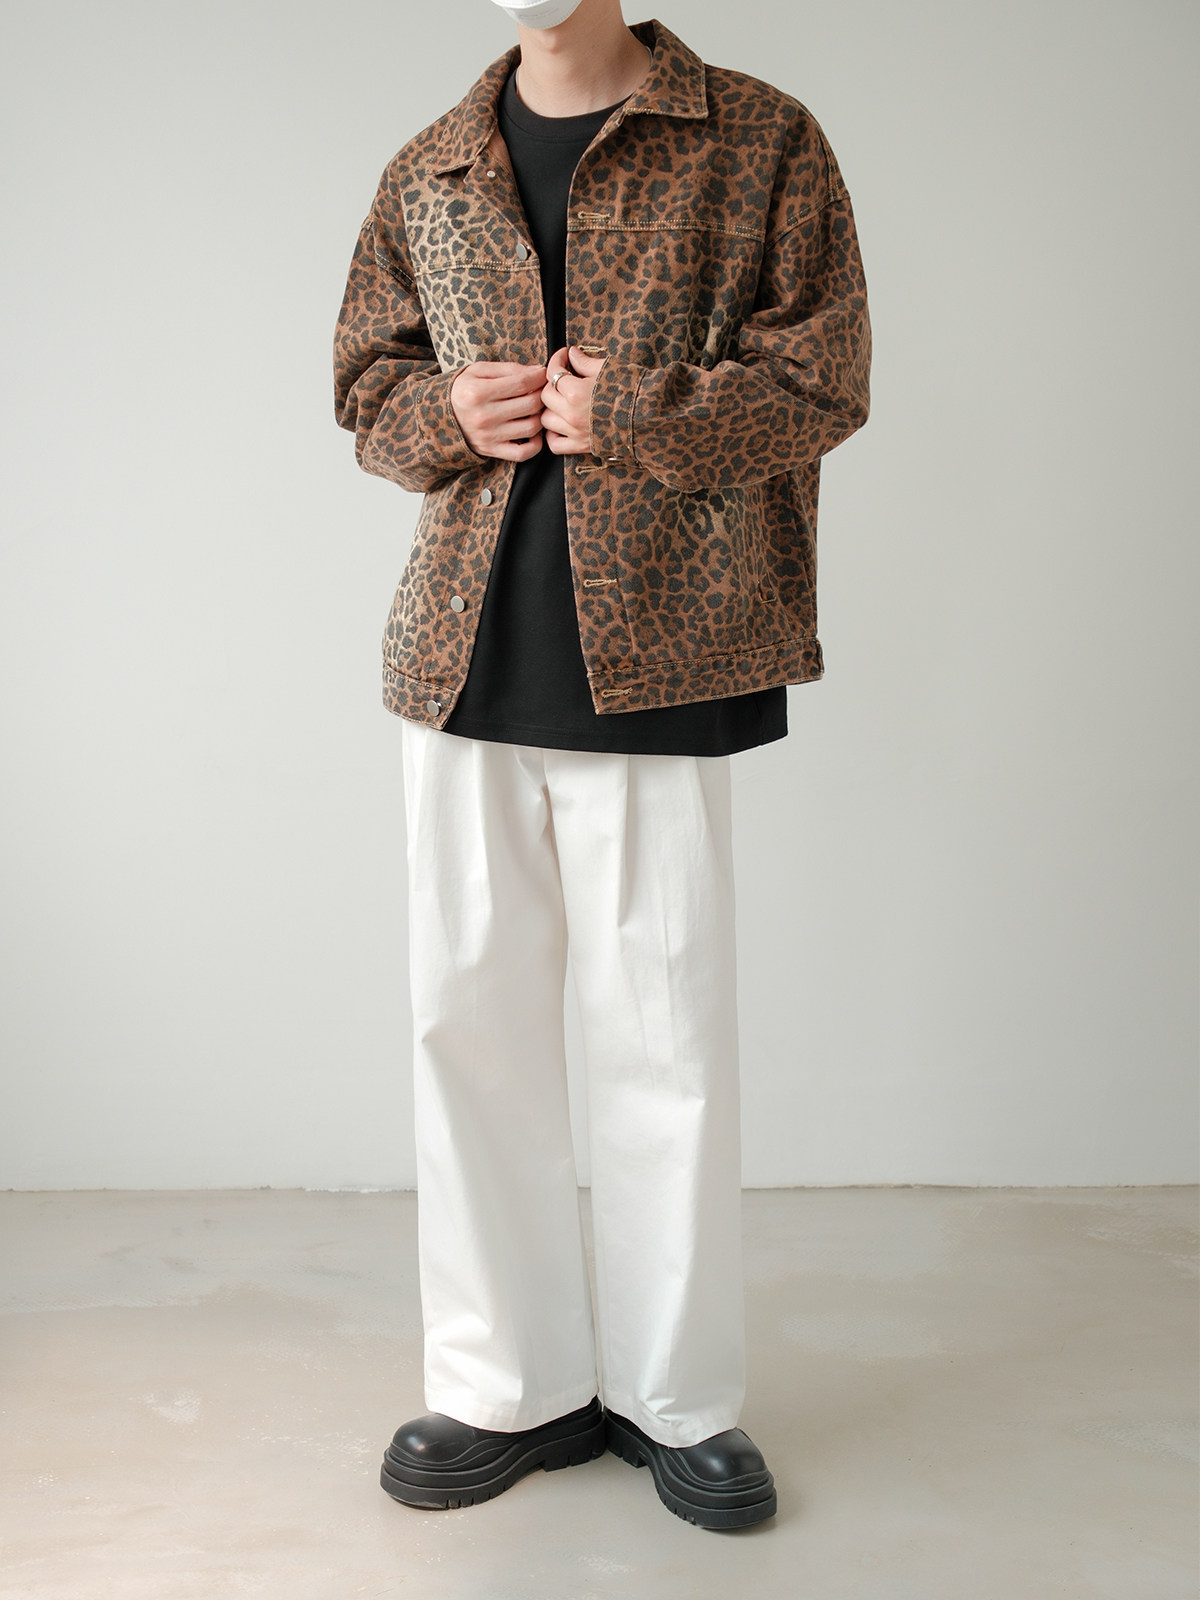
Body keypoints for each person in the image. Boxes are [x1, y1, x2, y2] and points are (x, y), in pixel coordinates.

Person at [332, 0, 870, 1530]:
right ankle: (502, 1384)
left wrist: (627, 410)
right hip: (461, 655)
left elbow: (824, 378)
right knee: (466, 1024)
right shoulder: (432, 165)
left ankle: (675, 1398)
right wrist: (446, 413)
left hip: (669, 648)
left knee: (665, 1033)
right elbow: (366, 383)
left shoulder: (756, 137)